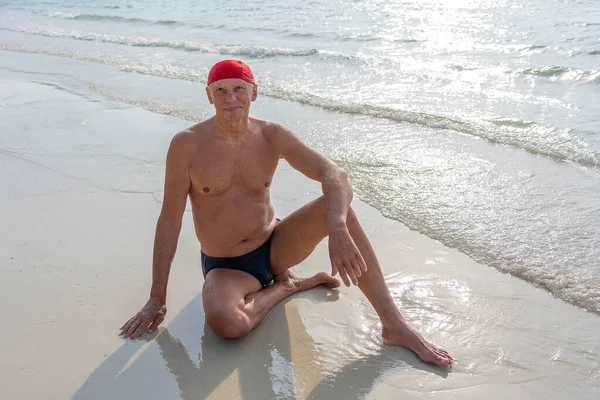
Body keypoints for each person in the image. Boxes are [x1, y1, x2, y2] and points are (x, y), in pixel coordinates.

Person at [119, 59, 453, 367]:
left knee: (337, 206)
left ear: (254, 92)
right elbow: (170, 218)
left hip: (276, 246)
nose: (230, 97)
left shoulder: (271, 135)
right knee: (227, 324)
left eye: (238, 88)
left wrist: (336, 227)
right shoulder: (187, 145)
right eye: (220, 90)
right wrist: (156, 298)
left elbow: (336, 175)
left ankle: (394, 325)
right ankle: (286, 287)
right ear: (209, 96)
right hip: (228, 266)